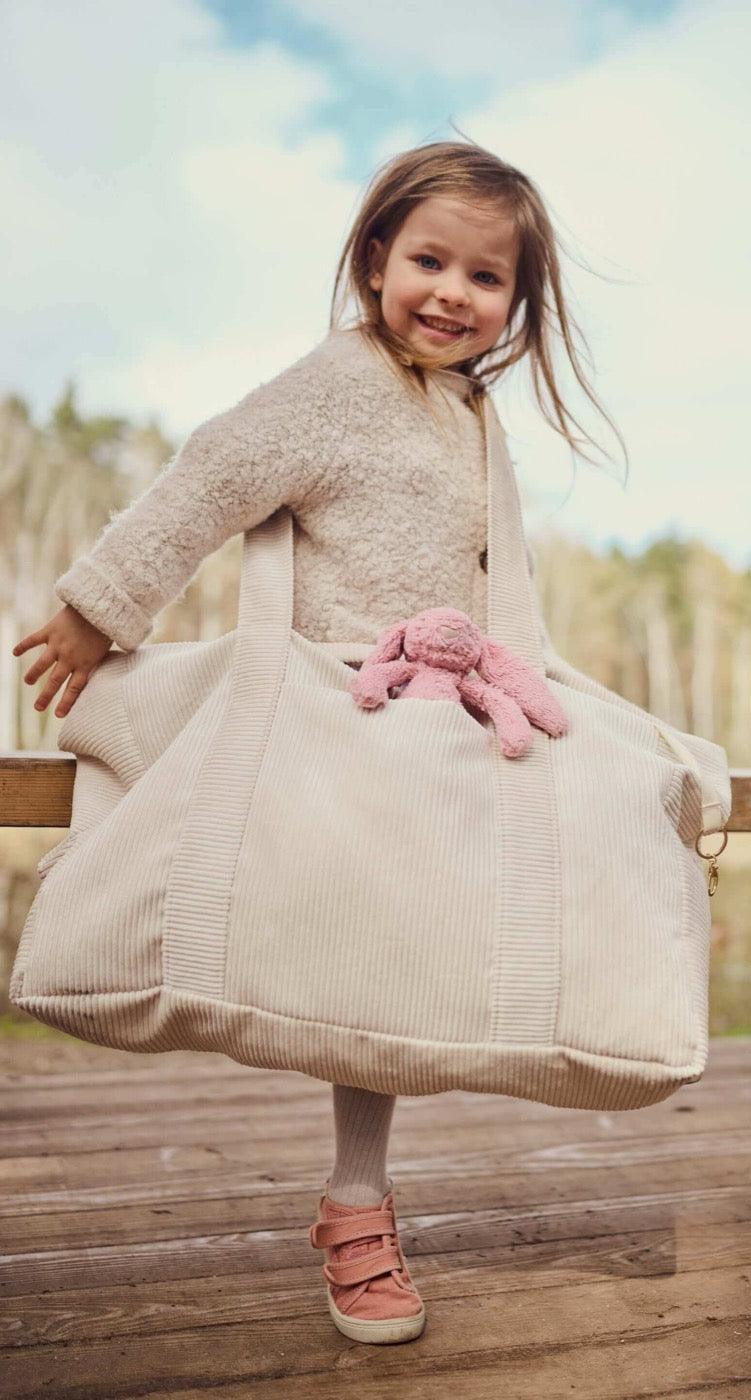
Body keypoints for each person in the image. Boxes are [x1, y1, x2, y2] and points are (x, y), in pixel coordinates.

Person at [12, 139, 626, 1346]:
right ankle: (356, 1211)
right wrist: (101, 605)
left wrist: (530, 682)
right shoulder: (339, 382)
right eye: (430, 260)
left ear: (519, 301)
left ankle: (358, 1200)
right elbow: (216, 471)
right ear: (375, 257)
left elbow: (499, 579)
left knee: (389, 962)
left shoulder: (471, 412)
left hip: (432, 724)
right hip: (329, 706)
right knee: (339, 943)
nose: (453, 292)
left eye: (486, 276)